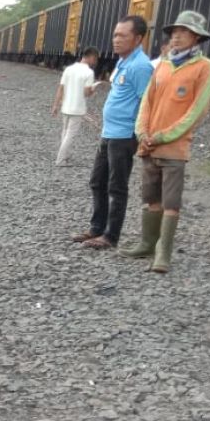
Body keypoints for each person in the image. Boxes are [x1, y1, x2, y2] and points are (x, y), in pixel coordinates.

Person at [124, 10, 210, 272]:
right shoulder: (163, 64)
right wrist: (142, 131)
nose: (176, 36)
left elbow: (197, 111)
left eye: (183, 32)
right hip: (149, 144)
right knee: (150, 197)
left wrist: (165, 135)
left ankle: (162, 254)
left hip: (174, 147)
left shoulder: (205, 67)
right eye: (174, 32)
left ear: (197, 37)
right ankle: (146, 244)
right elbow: (147, 100)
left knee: (171, 202)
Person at [72, 15, 153, 250]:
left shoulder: (140, 66)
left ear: (138, 38)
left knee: (116, 187)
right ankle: (96, 228)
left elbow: (145, 103)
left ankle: (110, 236)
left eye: (122, 35)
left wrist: (139, 135)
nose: (116, 40)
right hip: (109, 133)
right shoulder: (122, 61)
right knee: (97, 182)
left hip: (124, 136)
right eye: (115, 35)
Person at [51, 47, 100, 167]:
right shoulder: (89, 73)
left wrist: (55, 105)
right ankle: (60, 160)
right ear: (91, 57)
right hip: (77, 108)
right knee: (70, 135)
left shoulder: (69, 69)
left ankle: (65, 156)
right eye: (96, 59)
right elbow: (86, 93)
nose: (96, 62)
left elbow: (60, 88)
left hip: (66, 106)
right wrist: (93, 89)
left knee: (65, 132)